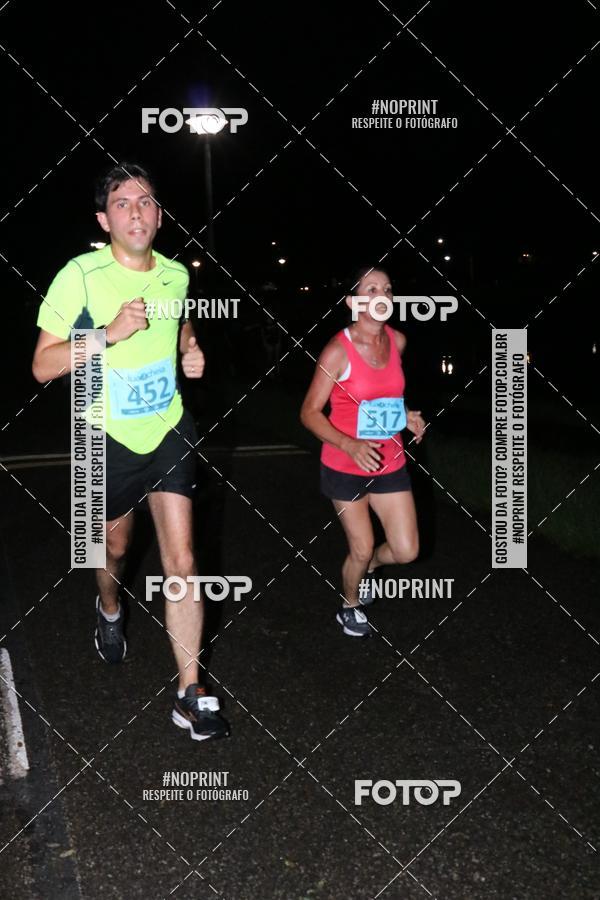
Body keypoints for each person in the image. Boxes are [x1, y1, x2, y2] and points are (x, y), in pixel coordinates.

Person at [31, 163, 229, 741]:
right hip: (103, 438)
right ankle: (110, 608)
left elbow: (182, 324)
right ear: (104, 219)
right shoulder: (79, 277)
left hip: (168, 429)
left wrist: (192, 349)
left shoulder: (174, 276)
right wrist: (106, 336)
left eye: (146, 202)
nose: (136, 212)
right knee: (112, 550)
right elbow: (42, 365)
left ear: (159, 216)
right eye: (122, 203)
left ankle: (189, 694)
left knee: (184, 562)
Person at [300, 267, 426, 637]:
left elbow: (386, 395)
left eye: (387, 289)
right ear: (353, 303)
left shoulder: (397, 341)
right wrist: (349, 444)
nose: (381, 295)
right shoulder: (338, 351)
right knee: (361, 546)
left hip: (390, 459)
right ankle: (350, 605)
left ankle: (369, 567)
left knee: (406, 551)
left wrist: (406, 416)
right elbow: (308, 412)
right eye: (371, 289)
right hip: (344, 463)